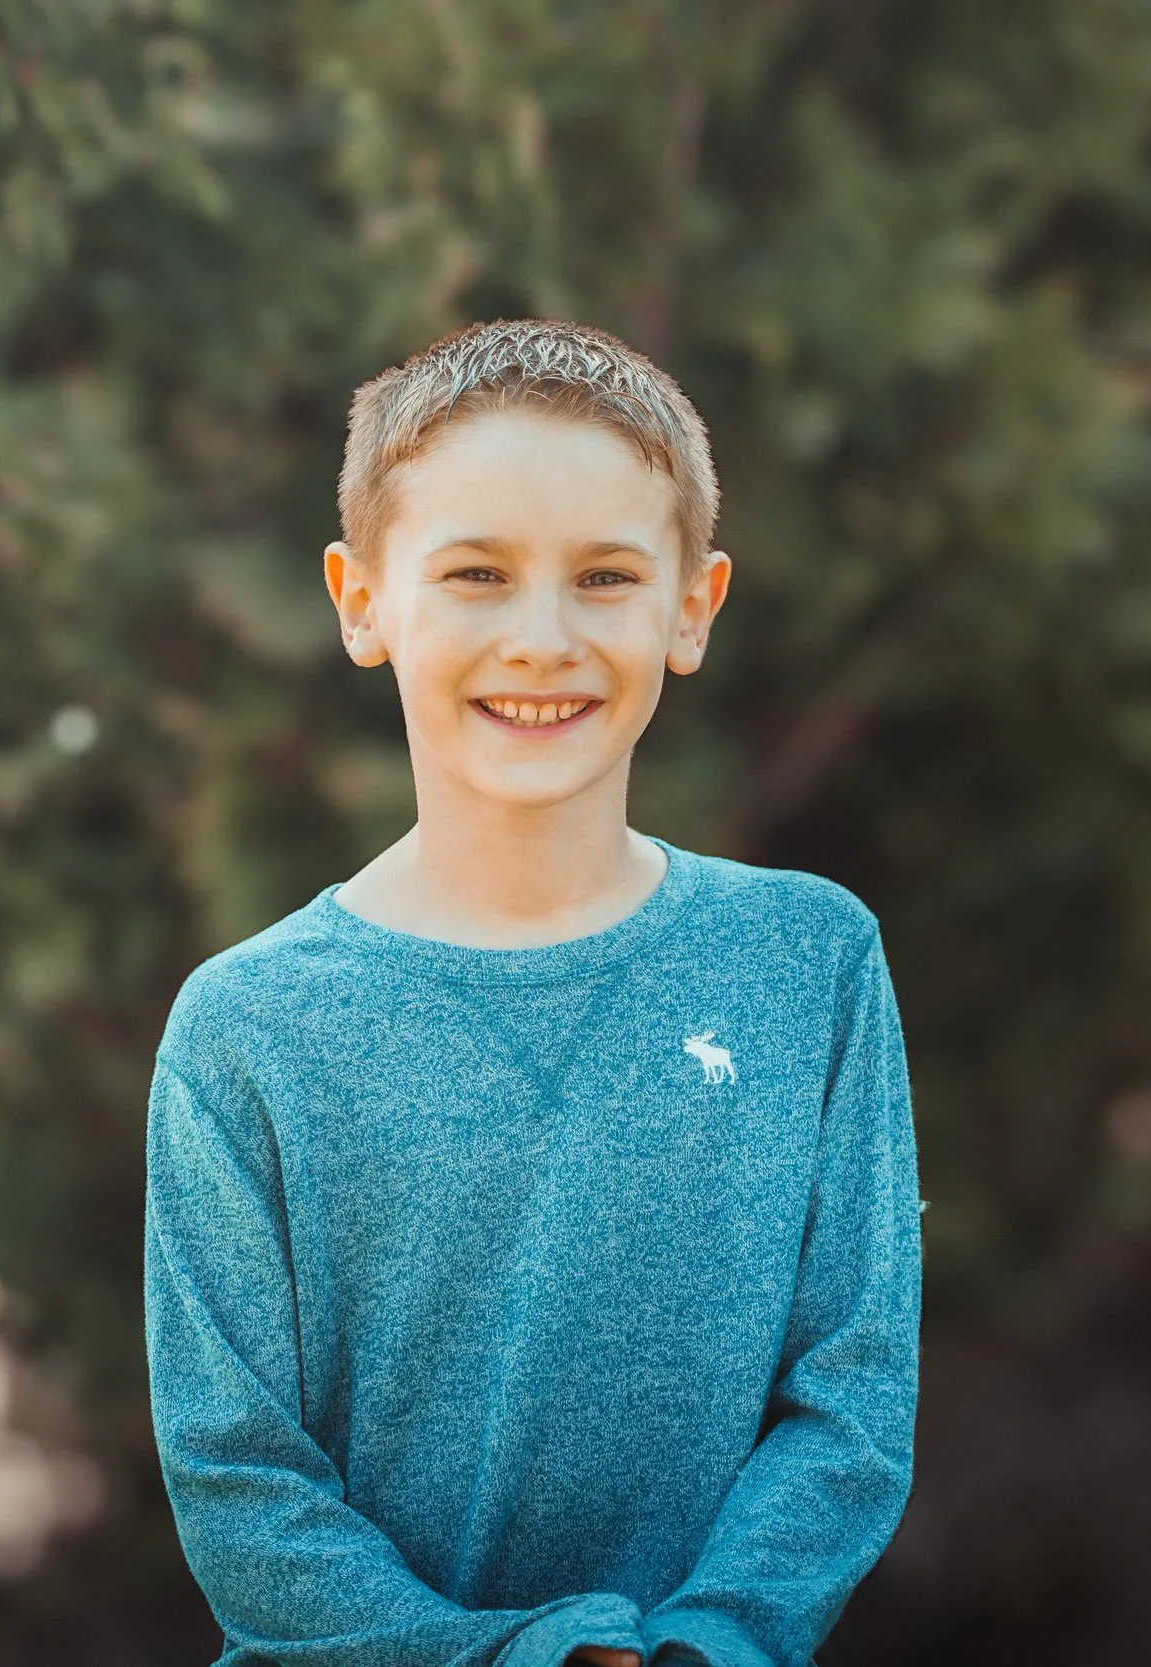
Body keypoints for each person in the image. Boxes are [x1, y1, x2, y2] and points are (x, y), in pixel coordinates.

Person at [144, 318, 923, 1667]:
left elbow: (850, 1399)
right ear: (361, 598)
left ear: (694, 606)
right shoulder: (248, 1028)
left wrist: (705, 1645)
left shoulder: (810, 961)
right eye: (478, 573)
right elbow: (241, 1484)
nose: (543, 636)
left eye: (607, 575)